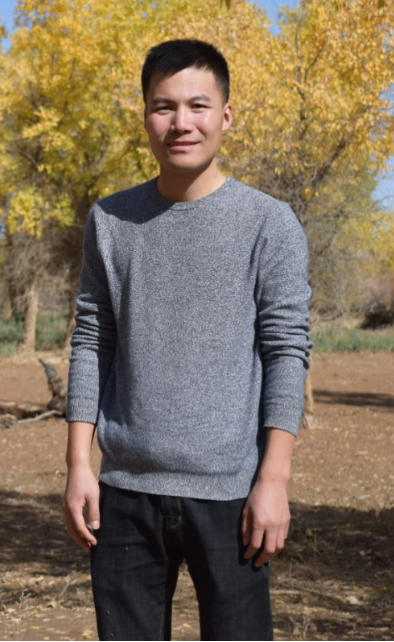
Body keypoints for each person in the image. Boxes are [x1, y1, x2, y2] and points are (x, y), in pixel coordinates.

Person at [63, 38, 312, 642]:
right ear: (145, 117)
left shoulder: (268, 222)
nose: (181, 123)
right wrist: (77, 464)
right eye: (164, 106)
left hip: (233, 494)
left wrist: (273, 481)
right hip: (124, 494)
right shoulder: (110, 220)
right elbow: (92, 340)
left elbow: (286, 349)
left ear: (226, 115)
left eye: (198, 106)